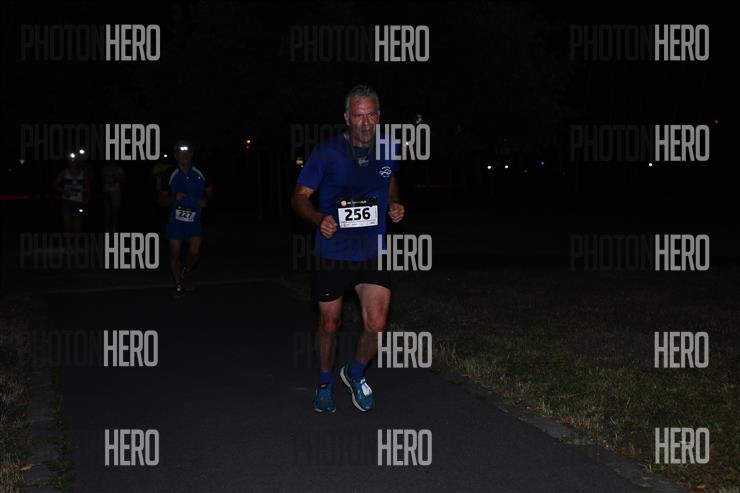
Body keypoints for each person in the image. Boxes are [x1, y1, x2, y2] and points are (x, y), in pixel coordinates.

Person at [291, 85, 405, 413]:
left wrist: (394, 203)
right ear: (346, 118)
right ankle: (325, 382)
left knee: (377, 324)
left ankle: (354, 373)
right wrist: (318, 218)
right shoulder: (327, 153)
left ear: (379, 116)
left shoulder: (388, 147)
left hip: (371, 250)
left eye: (371, 115)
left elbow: (390, 179)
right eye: (358, 116)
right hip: (332, 253)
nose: (365, 123)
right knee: (330, 324)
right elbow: (298, 197)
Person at [158, 141, 213, 298]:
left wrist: (205, 200)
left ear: (192, 154)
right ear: (175, 156)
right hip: (175, 221)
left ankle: (185, 270)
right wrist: (174, 197)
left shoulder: (201, 171)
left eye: (187, 152)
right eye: (181, 153)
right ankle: (178, 284)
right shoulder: (169, 174)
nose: (184, 155)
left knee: (194, 253)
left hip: (195, 220)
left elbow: (210, 191)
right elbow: (161, 200)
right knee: (175, 253)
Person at [55, 152, 91, 233]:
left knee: (76, 226)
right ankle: (68, 238)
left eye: (74, 160)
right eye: (70, 160)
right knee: (67, 226)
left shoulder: (83, 173)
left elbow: (88, 188)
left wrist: (86, 199)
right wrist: (63, 190)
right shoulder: (64, 172)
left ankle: (76, 239)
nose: (72, 161)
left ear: (77, 161)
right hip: (66, 201)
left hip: (78, 202)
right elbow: (55, 185)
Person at [100, 162, 126, 232]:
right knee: (107, 211)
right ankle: (107, 228)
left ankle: (114, 227)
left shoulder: (119, 169)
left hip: (116, 191)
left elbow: (123, 181)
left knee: (115, 211)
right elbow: (102, 180)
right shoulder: (104, 169)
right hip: (106, 191)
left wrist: (117, 179)